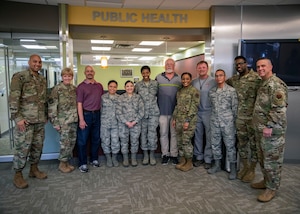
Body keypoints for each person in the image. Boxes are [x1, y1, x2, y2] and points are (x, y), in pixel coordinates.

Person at [251, 57, 288, 203]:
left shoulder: (276, 84)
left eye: (263, 66)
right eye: (258, 66)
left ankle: (271, 188)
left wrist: (269, 126)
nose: (260, 69)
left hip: (272, 132)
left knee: (272, 160)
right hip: (261, 129)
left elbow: (279, 108)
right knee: (263, 158)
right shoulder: (263, 83)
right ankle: (266, 182)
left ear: (270, 66)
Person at [9, 54, 48, 189]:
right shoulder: (20, 77)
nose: (37, 64)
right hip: (25, 121)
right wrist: (17, 118)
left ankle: (34, 169)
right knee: (22, 148)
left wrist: (46, 115)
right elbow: (13, 98)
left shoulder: (42, 79)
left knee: (37, 147)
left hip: (39, 120)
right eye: (35, 61)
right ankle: (18, 174)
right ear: (29, 62)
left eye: (39, 62)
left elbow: (44, 99)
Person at [226, 56, 261, 182]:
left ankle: (252, 169)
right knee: (242, 145)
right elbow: (223, 83)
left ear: (246, 64)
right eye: (236, 64)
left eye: (241, 64)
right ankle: (245, 167)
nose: (238, 66)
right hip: (239, 118)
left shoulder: (257, 78)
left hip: (252, 118)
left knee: (254, 146)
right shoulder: (234, 79)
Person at [207, 69, 238, 180]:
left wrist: (233, 123)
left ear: (224, 77)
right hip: (215, 121)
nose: (218, 78)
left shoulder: (231, 91)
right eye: (216, 76)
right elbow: (212, 106)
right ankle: (217, 165)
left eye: (221, 75)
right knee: (215, 144)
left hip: (228, 123)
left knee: (230, 146)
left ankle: (233, 168)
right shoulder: (211, 92)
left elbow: (235, 109)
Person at [48, 67, 78, 173]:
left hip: (73, 120)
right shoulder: (56, 89)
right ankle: (62, 164)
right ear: (62, 76)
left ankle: (66, 162)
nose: (67, 78)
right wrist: (55, 122)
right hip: (63, 122)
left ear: (72, 77)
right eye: (65, 76)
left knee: (72, 142)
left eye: (69, 76)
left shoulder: (74, 89)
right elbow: (52, 107)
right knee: (65, 143)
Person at [76, 65, 104, 173]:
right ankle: (82, 163)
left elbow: (101, 102)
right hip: (86, 115)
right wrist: (81, 120)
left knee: (96, 139)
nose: (89, 73)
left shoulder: (99, 86)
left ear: (94, 73)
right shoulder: (81, 87)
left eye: (91, 71)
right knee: (82, 141)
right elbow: (79, 104)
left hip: (97, 115)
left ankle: (94, 159)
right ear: (84, 73)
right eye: (87, 71)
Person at [155, 58, 181, 165]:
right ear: (164, 66)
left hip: (175, 113)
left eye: (171, 64)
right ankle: (165, 154)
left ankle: (174, 155)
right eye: (167, 64)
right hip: (161, 111)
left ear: (174, 66)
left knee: (174, 134)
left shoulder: (179, 78)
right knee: (163, 134)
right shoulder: (158, 78)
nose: (169, 66)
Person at [172, 72, 200, 172]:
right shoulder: (179, 92)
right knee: (180, 141)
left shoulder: (194, 91)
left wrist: (187, 120)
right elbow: (177, 106)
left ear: (190, 79)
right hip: (179, 120)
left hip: (189, 121)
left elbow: (194, 107)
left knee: (186, 141)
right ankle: (183, 159)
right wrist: (174, 118)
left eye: (187, 79)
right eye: (183, 79)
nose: (185, 81)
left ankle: (189, 162)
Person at [192, 60, 216, 169]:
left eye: (203, 67)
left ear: (207, 68)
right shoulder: (193, 82)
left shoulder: (213, 81)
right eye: (199, 67)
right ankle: (199, 157)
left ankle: (208, 158)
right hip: (197, 112)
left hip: (208, 112)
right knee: (198, 136)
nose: (201, 69)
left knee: (209, 136)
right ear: (197, 69)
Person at [134, 65, 160, 166]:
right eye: (143, 73)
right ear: (141, 74)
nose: (145, 74)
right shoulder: (138, 85)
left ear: (150, 73)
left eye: (147, 72)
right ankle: (145, 155)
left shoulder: (155, 83)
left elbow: (159, 96)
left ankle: (152, 155)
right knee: (143, 134)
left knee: (152, 134)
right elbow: (135, 98)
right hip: (142, 114)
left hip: (154, 113)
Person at [116, 80, 144, 167]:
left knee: (134, 141)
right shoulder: (120, 98)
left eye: (131, 86)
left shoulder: (138, 97)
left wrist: (135, 121)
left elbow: (141, 111)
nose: (129, 88)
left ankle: (133, 158)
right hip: (124, 124)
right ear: (124, 88)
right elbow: (118, 112)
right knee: (124, 142)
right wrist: (126, 122)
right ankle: (125, 159)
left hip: (135, 124)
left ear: (134, 87)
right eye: (127, 86)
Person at [101, 80, 120, 167]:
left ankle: (114, 158)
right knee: (105, 141)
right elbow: (100, 110)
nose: (112, 88)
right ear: (108, 87)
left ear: (117, 88)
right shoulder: (102, 97)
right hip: (105, 123)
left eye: (114, 87)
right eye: (110, 86)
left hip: (116, 123)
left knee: (115, 141)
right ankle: (108, 158)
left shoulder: (120, 98)